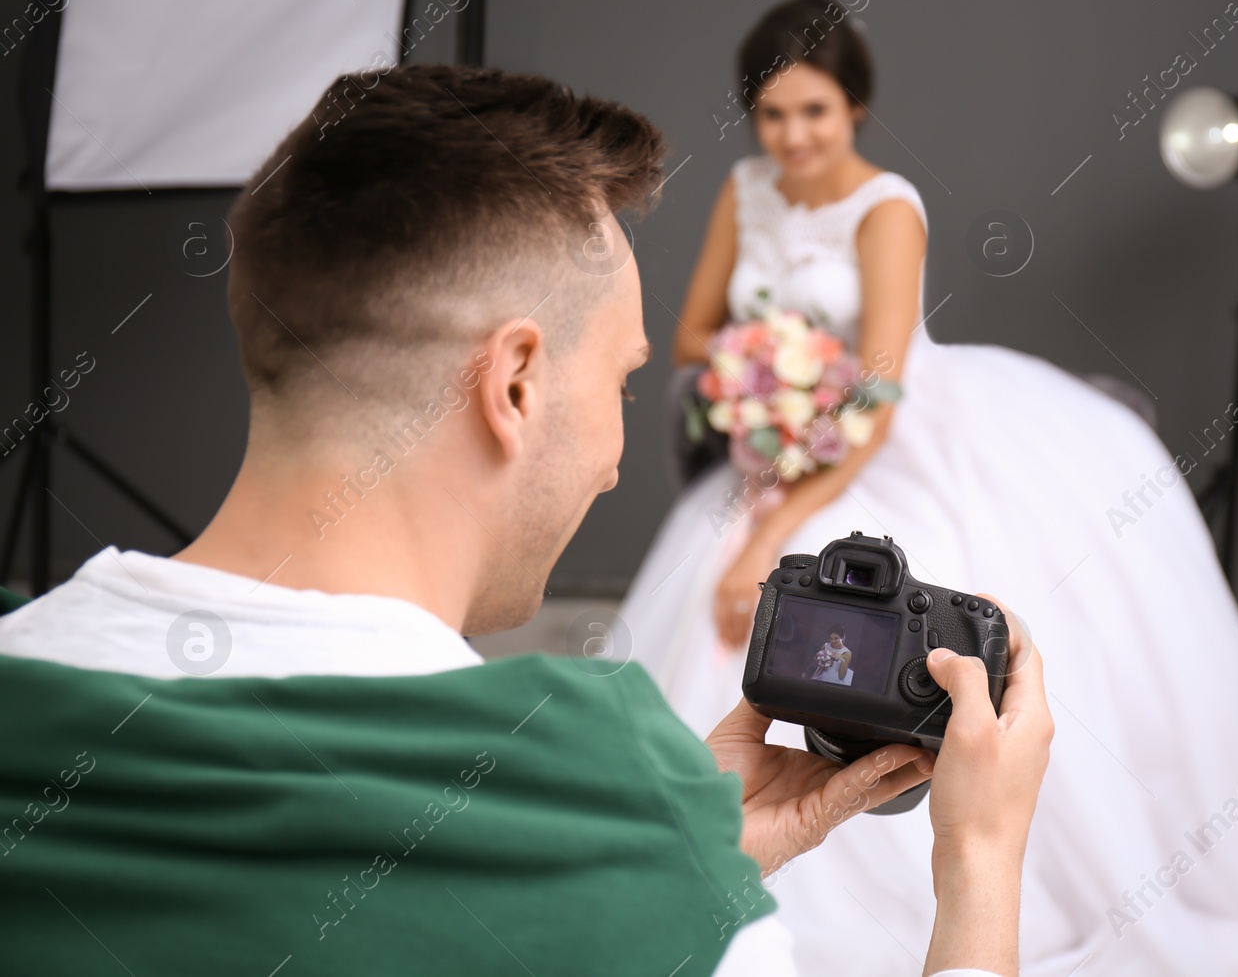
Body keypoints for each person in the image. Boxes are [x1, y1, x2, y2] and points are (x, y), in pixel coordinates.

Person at [0, 64, 1055, 977]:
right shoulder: (604, 812)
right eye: (621, 384)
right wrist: (977, 862)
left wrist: (676, 855)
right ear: (512, 384)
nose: (611, 459)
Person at [619, 0, 1238, 975]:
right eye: (771, 114)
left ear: (854, 106)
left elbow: (881, 393)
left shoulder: (887, 206)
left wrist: (779, 519)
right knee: (715, 616)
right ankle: (724, 855)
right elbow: (692, 336)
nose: (792, 135)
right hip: (788, 431)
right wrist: (764, 371)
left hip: (887, 435)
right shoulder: (744, 189)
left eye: (814, 111)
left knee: (844, 600)